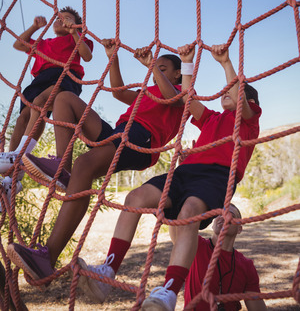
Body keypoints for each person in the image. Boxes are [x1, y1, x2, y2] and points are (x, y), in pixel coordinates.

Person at [36, 42, 260, 311]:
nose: (225, 92)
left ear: (250, 102)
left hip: (218, 176)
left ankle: (168, 290)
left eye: (234, 92)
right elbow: (188, 96)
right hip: (186, 172)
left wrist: (225, 64)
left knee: (188, 213)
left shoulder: (248, 121)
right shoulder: (211, 117)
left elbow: (194, 97)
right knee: (136, 196)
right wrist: (187, 62)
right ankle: (109, 270)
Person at [6, 39, 185, 286]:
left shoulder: (181, 93)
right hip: (121, 132)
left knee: (85, 165)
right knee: (64, 99)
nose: (157, 73)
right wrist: (114, 57)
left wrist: (152, 64)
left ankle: (48, 256)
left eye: (163, 69)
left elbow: (170, 98)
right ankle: (62, 167)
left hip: (140, 140)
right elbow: (120, 92)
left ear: (177, 74)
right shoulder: (147, 92)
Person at [0, 7, 93, 208]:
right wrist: (34, 26)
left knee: (40, 104)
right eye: (59, 19)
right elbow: (18, 44)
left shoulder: (75, 38)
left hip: (64, 74)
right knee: (22, 118)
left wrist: (74, 32)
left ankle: (20, 155)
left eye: (67, 19)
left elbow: (87, 56)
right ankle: (13, 175)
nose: (62, 21)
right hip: (40, 79)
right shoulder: (44, 43)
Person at [182, 203, 267, 310]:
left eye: (230, 214)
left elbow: (257, 308)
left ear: (239, 229)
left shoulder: (246, 266)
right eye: (219, 214)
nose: (223, 217)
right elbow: (178, 230)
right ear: (213, 225)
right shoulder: (196, 245)